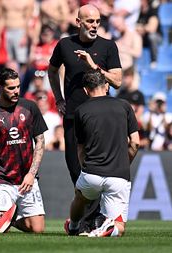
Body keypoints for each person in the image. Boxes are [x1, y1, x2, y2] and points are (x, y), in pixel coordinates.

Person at [48, 4, 122, 234]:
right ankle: (89, 218)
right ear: (78, 22)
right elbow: (52, 70)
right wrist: (58, 97)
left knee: (96, 169)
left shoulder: (108, 46)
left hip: (100, 117)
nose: (94, 25)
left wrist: (93, 66)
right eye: (90, 21)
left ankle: (90, 220)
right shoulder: (65, 44)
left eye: (97, 21)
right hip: (73, 116)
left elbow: (117, 81)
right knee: (75, 168)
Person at [65, 69, 139, 237]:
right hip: (118, 176)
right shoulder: (124, 106)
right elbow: (135, 142)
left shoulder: (81, 110)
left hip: (92, 174)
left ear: (85, 90)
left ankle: (74, 226)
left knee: (80, 197)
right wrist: (123, 164)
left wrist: (85, 167)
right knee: (120, 227)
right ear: (106, 86)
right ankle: (109, 228)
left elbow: (80, 148)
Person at [0, 68, 47, 233]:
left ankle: (5, 217)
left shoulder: (30, 107)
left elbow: (40, 141)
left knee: (37, 229)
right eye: (11, 88)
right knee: (0, 230)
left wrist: (31, 174)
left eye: (18, 87)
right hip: (2, 180)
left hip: (27, 179)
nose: (16, 91)